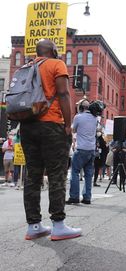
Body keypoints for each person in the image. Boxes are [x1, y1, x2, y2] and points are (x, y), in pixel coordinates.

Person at [20, 40, 81, 240]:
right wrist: (68, 125)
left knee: (32, 176)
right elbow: (63, 93)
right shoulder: (56, 64)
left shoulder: (27, 66)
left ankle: (34, 226)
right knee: (57, 175)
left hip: (28, 125)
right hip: (51, 125)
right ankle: (58, 225)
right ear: (54, 51)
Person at [67, 100, 97, 205]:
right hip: (91, 149)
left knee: (75, 172)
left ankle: (74, 197)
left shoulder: (78, 117)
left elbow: (73, 130)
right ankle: (87, 197)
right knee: (88, 175)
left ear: (80, 108)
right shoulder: (95, 118)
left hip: (81, 149)